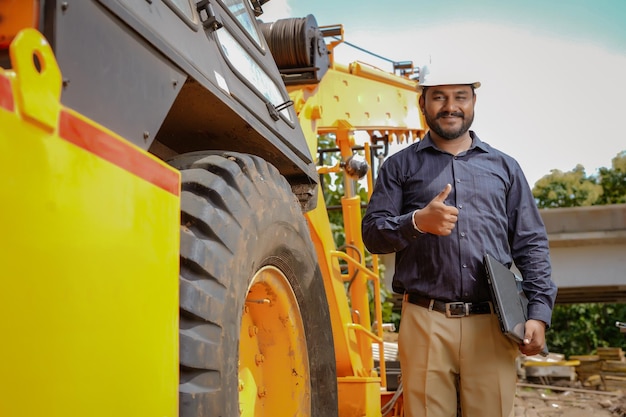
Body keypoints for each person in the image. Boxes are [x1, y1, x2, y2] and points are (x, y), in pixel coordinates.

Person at [361, 66, 558, 417]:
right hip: (425, 320)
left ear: (473, 102)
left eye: (459, 97)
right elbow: (373, 235)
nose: (449, 106)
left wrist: (539, 314)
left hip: (493, 324)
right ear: (423, 103)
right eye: (439, 97)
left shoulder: (505, 168)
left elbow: (531, 245)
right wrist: (417, 221)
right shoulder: (398, 167)